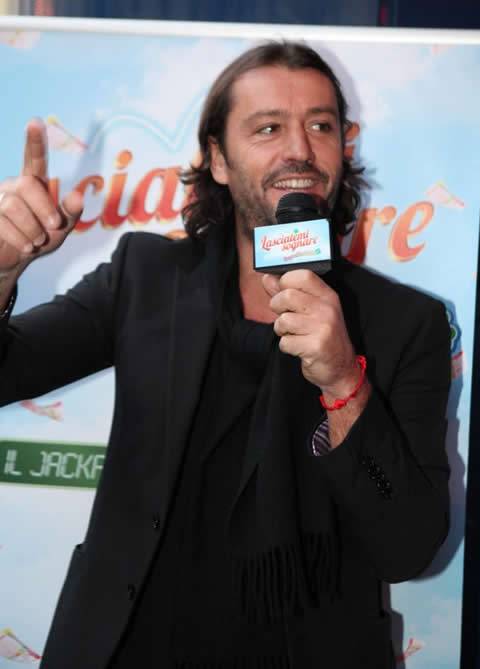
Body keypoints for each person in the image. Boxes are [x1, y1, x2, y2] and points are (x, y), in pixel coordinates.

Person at [0, 42, 450, 669]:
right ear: (216, 159)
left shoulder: (405, 323)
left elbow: (409, 546)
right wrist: (1, 272)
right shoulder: (146, 277)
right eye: (268, 128)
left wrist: (345, 382)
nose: (299, 150)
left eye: (321, 125)